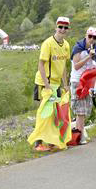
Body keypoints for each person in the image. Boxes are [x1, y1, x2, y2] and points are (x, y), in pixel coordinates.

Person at [32, 17, 71, 151]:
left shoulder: (66, 45)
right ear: (56, 27)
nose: (62, 30)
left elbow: (64, 66)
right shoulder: (48, 43)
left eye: (65, 28)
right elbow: (41, 65)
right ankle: (38, 143)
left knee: (55, 113)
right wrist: (47, 85)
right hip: (43, 83)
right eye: (60, 27)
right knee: (44, 112)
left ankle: (51, 140)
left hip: (57, 84)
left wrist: (66, 84)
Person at [70, 27, 96, 144]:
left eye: (94, 37)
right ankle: (80, 135)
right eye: (90, 36)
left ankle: (79, 134)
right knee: (80, 110)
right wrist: (89, 56)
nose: (92, 39)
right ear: (86, 35)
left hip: (88, 81)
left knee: (84, 109)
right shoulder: (78, 47)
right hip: (78, 81)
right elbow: (76, 65)